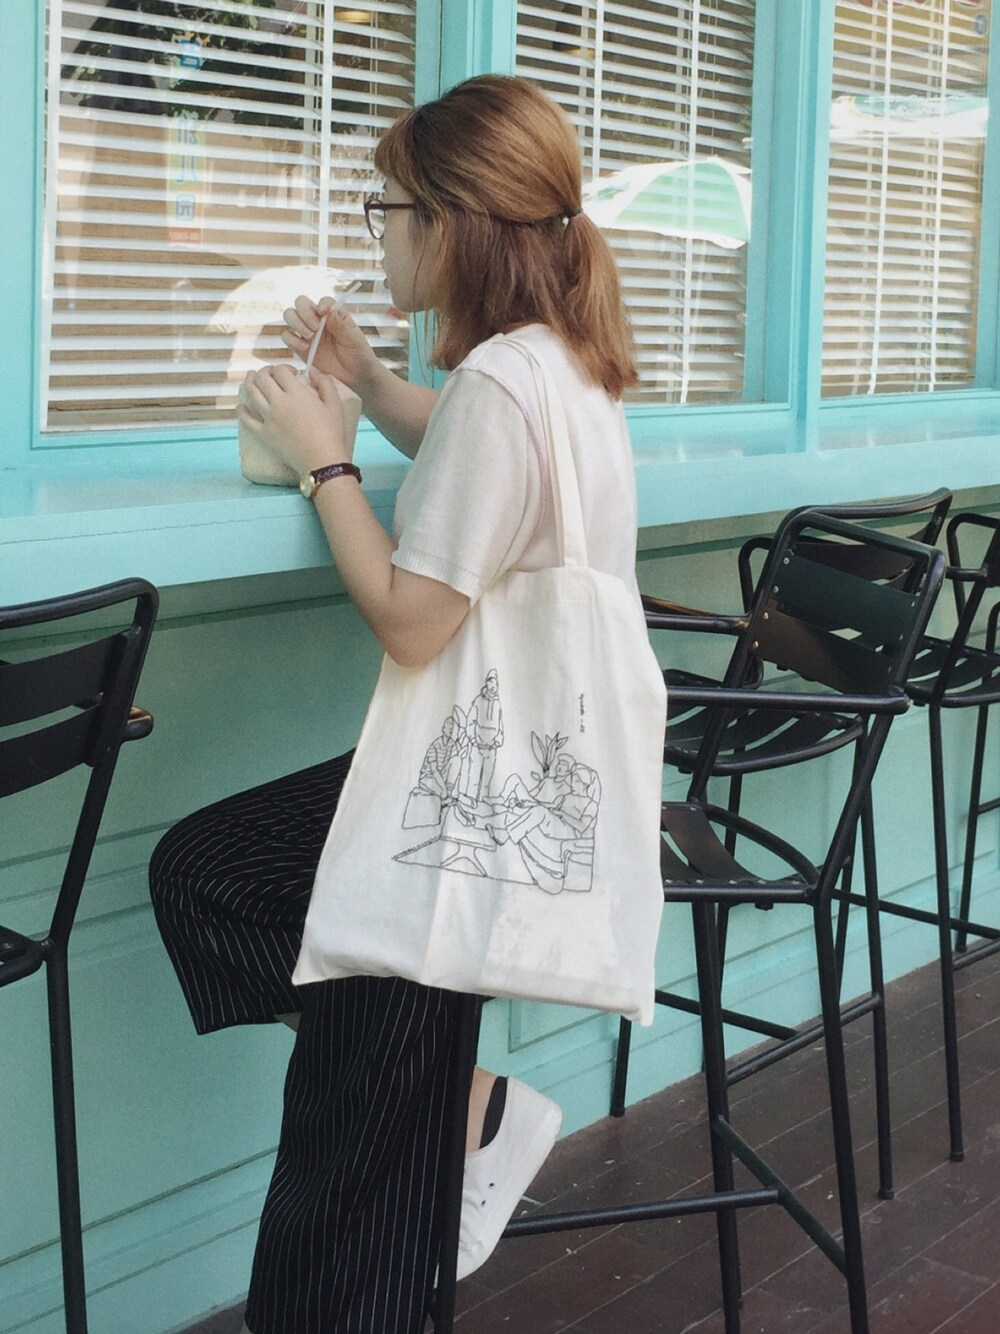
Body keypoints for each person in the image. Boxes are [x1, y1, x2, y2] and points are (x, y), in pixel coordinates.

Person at [150, 72, 642, 1334]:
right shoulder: (556, 366)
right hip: (528, 782)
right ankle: (466, 1106)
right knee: (366, 1019)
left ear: (454, 224)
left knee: (216, 878)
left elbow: (414, 618)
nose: (381, 235)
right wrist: (370, 381)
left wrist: (324, 458)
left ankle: (459, 1113)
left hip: (465, 796)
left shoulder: (504, 384)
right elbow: (472, 451)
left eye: (391, 210)